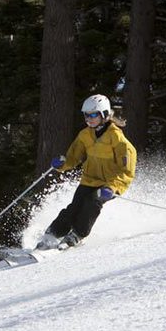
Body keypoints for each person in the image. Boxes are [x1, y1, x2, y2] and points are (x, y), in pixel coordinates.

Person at [37, 94, 137, 250]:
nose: (89, 119)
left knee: (92, 203)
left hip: (107, 186)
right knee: (75, 207)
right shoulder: (85, 135)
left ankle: (77, 235)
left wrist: (113, 188)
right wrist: (62, 164)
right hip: (89, 180)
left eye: (93, 115)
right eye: (86, 115)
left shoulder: (118, 139)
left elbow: (126, 172)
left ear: (104, 114)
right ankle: (52, 234)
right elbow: (74, 156)